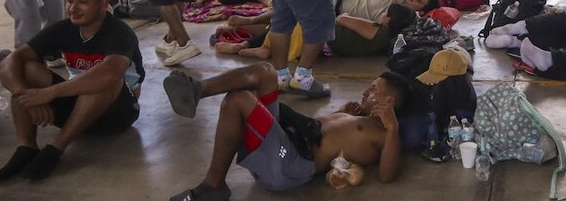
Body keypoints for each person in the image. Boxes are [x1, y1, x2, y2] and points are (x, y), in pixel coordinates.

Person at [165, 63, 409, 200]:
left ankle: (212, 187)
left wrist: (393, 128)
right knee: (265, 71)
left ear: (389, 101)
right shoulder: (355, 116)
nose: (366, 91)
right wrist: (341, 112)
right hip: (286, 139)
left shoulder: (383, 134)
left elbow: (387, 175)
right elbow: (325, 130)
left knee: (238, 100)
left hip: (289, 163)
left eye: (373, 88)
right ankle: (198, 89)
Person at [0, 0, 144, 181]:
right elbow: (10, 61)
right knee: (27, 68)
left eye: (83, 2)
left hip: (117, 113)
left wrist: (48, 93)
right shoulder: (64, 29)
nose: (73, 9)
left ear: (103, 4)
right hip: (79, 109)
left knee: (105, 78)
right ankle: (26, 147)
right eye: (69, 1)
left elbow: (110, 72)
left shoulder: (119, 32)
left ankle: (55, 148)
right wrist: (27, 97)